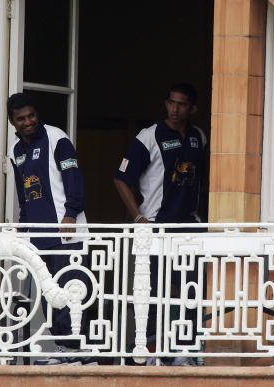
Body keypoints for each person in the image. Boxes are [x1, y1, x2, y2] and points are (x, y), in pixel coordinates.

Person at [113, 82, 207, 366]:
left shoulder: (199, 137)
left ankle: (185, 350)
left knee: (189, 289)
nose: (175, 109)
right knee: (154, 289)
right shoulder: (149, 136)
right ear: (165, 104)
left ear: (192, 108)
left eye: (181, 104)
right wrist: (139, 218)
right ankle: (151, 349)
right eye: (171, 103)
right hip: (156, 225)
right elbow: (121, 178)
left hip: (189, 226)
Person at [7, 92, 92, 365]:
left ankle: (77, 349)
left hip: (67, 233)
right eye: (21, 118)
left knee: (72, 289)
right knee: (49, 295)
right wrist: (23, 229)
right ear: (12, 122)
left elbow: (74, 179)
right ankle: (62, 348)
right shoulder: (15, 151)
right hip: (38, 236)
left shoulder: (57, 137)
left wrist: (70, 214)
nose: (28, 122)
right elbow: (24, 194)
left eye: (31, 116)